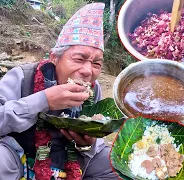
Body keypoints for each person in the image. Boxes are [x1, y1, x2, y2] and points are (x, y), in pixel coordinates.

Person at [0, 3, 118, 180]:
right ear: (54, 58)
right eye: (79, 58)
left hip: (69, 162)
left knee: (117, 164)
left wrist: (87, 144)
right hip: (22, 160)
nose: (88, 71)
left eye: (96, 64)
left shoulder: (94, 89)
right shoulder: (23, 76)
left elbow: (97, 142)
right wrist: (43, 100)